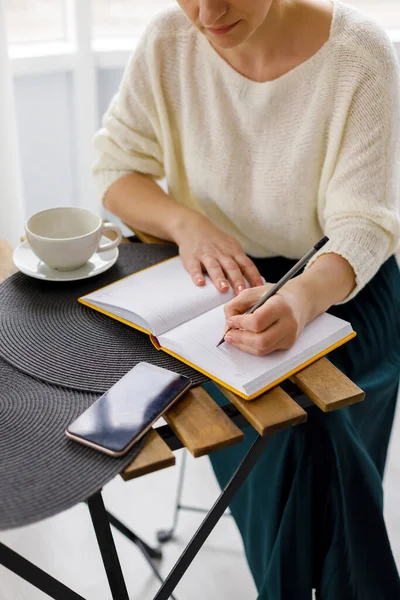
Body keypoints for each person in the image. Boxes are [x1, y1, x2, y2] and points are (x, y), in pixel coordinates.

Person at [93, 0, 400, 597]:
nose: (208, 13)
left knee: (314, 431)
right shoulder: (169, 41)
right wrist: (187, 224)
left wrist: (303, 299)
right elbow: (116, 168)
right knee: (297, 440)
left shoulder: (359, 56)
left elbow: (364, 226)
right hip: (220, 288)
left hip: (342, 283)